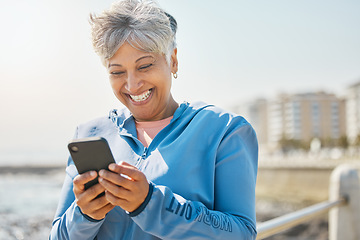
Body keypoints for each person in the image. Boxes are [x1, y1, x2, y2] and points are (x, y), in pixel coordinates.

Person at [49, 0, 258, 239]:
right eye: (117, 72)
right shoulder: (90, 133)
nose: (132, 85)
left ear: (173, 60)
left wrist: (150, 204)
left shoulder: (225, 131)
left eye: (145, 65)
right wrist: (84, 214)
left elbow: (242, 233)